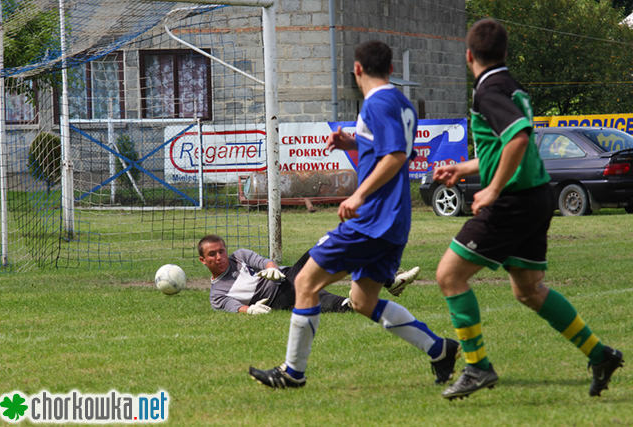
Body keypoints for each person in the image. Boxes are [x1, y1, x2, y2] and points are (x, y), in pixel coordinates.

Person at [248, 40, 460, 388]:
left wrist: (359, 195)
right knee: (362, 301)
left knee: (304, 282)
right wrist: (351, 143)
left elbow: (394, 157)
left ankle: (293, 373)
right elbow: (388, 147)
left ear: (357, 70)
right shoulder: (400, 102)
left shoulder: (378, 102)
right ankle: (439, 350)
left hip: (373, 219)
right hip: (391, 221)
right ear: (391, 70)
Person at [433, 18, 623, 400]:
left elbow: (518, 137)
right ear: (504, 53)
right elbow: (507, 143)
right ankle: (600, 355)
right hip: (536, 195)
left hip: (513, 200)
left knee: (449, 276)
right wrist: (466, 167)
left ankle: (477, 367)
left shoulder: (488, 90)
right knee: (529, 290)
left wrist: (493, 189)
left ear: (468, 55)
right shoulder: (511, 84)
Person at [198, 234, 421, 314]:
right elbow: (236, 308)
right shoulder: (217, 294)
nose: (219, 257)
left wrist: (272, 270)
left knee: (324, 252)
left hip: (288, 277)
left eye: (221, 251)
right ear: (203, 260)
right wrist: (251, 310)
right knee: (343, 305)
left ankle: (389, 280)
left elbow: (264, 262)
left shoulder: (240, 256)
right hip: (280, 300)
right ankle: (390, 281)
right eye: (212, 254)